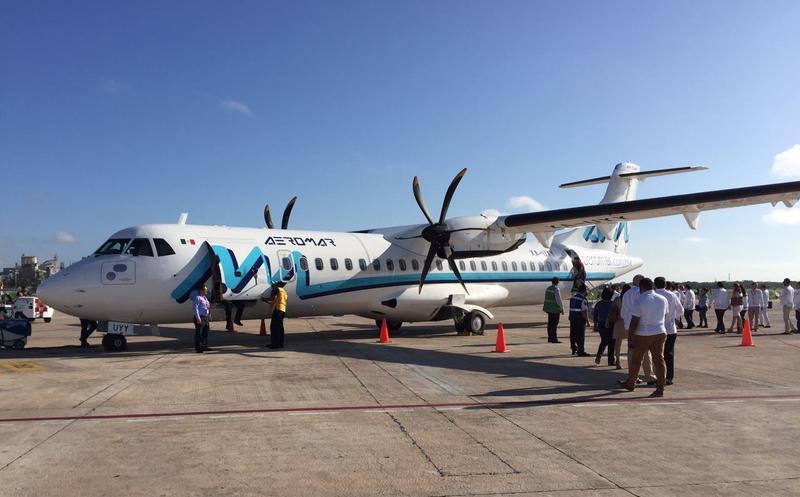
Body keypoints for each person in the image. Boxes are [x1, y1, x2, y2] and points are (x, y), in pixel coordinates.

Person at [617, 277, 669, 397]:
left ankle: (631, 382)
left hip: (643, 334)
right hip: (660, 332)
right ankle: (660, 387)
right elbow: (665, 315)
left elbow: (634, 322)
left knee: (636, 360)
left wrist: (630, 338)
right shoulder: (662, 299)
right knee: (659, 360)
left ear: (641, 287)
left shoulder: (640, 300)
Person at [622, 274, 655, 384]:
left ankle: (633, 376)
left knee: (631, 352)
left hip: (628, 325)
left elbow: (623, 312)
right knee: (645, 352)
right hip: (642, 326)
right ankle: (649, 376)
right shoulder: (643, 294)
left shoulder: (627, 294)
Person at [655, 277, 683, 386]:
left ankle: (658, 376)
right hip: (670, 329)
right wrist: (673, 317)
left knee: (656, 355)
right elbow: (681, 310)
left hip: (656, 329)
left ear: (654, 285)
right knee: (669, 354)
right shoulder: (672, 295)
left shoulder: (652, 295)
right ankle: (669, 377)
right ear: (666, 285)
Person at [610, 284, 630, 369]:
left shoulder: (618, 299)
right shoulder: (630, 299)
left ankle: (617, 360)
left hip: (619, 322)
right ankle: (630, 362)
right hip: (629, 322)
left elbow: (612, 310)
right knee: (630, 343)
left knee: (618, 344)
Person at [593, 287, 615, 366]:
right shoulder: (612, 304)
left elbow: (595, 315)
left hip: (601, 324)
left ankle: (599, 355)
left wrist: (595, 325)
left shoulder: (599, 304)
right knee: (612, 342)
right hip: (610, 324)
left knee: (604, 341)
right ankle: (611, 361)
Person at [568, 284, 591, 356]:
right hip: (580, 320)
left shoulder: (572, 298)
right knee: (580, 336)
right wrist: (588, 321)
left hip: (572, 318)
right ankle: (581, 351)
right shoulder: (583, 299)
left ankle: (573, 348)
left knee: (573, 335)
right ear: (584, 291)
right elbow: (584, 312)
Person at [266, 281, 288, 348]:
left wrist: (262, 298)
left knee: (274, 327)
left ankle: (275, 344)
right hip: (282, 310)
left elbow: (271, 298)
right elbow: (275, 300)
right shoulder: (283, 291)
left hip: (278, 310)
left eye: (274, 284)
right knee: (280, 327)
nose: (272, 286)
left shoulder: (277, 289)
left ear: (278, 285)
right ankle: (280, 343)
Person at [542, 277, 564, 344]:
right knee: (554, 324)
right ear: (557, 282)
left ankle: (550, 338)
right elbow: (558, 300)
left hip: (549, 309)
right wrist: (562, 308)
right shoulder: (556, 289)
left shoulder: (548, 288)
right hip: (555, 309)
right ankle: (554, 338)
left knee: (550, 324)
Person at [192, 285, 211, 353]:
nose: (207, 291)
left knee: (205, 332)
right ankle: (198, 348)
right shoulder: (197, 298)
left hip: (205, 317)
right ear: (201, 291)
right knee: (199, 333)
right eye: (205, 290)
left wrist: (209, 315)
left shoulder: (205, 298)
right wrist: (198, 318)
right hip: (200, 317)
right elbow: (195, 308)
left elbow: (207, 307)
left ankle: (204, 346)